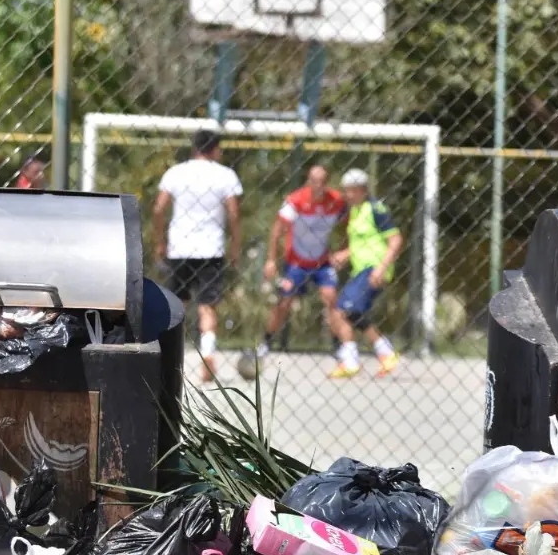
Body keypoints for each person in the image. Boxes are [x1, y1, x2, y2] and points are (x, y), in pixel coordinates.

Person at [152, 130, 243, 382]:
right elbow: (234, 213)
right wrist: (235, 244)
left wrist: (160, 240)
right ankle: (209, 354)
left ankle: (169, 358)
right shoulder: (225, 175)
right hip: (211, 249)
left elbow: (159, 208)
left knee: (176, 305)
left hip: (180, 247)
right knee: (207, 306)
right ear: (215, 149)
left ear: (194, 147)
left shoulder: (176, 172)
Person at [257, 165, 345, 359]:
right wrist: (271, 260)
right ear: (308, 181)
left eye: (322, 182)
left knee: (330, 298)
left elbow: (349, 227)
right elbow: (277, 231)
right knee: (284, 302)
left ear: (327, 182)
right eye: (314, 181)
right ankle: (267, 341)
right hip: (296, 261)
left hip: (322, 262)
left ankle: (338, 345)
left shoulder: (337, 201)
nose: (318, 186)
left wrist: (343, 251)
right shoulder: (295, 201)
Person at [327, 169, 403, 379]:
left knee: (344, 310)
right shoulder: (355, 211)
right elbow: (363, 242)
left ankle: (354, 360)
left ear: (362, 190)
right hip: (361, 269)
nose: (349, 195)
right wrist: (345, 254)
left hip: (374, 268)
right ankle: (384, 353)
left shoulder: (376, 209)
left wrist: (381, 267)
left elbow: (395, 241)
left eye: (353, 190)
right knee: (350, 312)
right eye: (347, 191)